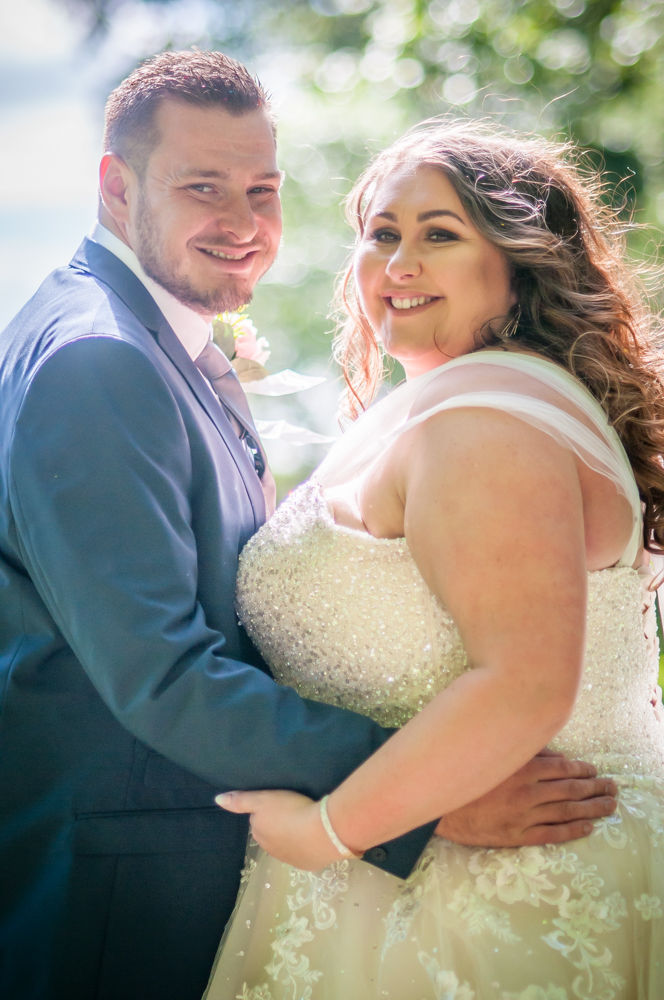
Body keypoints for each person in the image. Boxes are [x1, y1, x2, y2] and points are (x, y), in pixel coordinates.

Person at [0, 53, 615, 999]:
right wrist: (421, 800)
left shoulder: (146, 334)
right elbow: (162, 671)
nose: (243, 225)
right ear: (116, 188)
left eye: (263, 190)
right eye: (202, 188)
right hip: (120, 881)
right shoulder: (99, 359)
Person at [206, 120, 664, 999]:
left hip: (496, 909)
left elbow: (523, 685)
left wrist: (328, 832)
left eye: (440, 234)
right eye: (383, 234)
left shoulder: (485, 422)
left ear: (518, 262)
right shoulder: (466, 403)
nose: (399, 263)